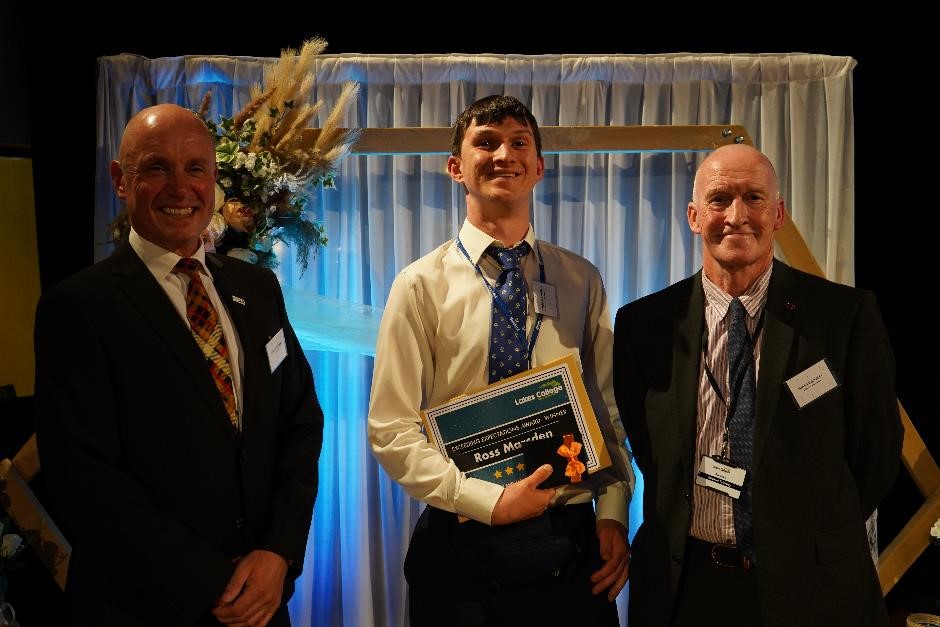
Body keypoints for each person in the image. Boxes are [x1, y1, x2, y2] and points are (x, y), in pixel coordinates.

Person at [34, 103, 323, 627]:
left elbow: (299, 422)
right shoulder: (77, 308)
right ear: (122, 181)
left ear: (214, 179)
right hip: (143, 604)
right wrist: (211, 581)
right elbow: (84, 478)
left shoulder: (256, 290)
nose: (179, 187)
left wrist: (278, 554)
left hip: (262, 600)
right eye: (156, 168)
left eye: (194, 168)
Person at [368, 95, 634, 626]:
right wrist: (485, 502)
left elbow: (608, 413)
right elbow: (391, 428)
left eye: (518, 143)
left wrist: (613, 515)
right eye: (485, 143)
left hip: (571, 541)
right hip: (462, 537)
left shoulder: (581, 279)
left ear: (538, 166)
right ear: (455, 167)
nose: (502, 155)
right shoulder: (419, 284)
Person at [613, 143, 902, 626]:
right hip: (687, 588)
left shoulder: (842, 317)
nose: (736, 215)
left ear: (779, 213)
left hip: (811, 586)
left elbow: (876, 451)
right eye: (720, 198)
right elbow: (649, 447)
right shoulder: (644, 324)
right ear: (693, 215)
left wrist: (808, 528)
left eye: (754, 198)